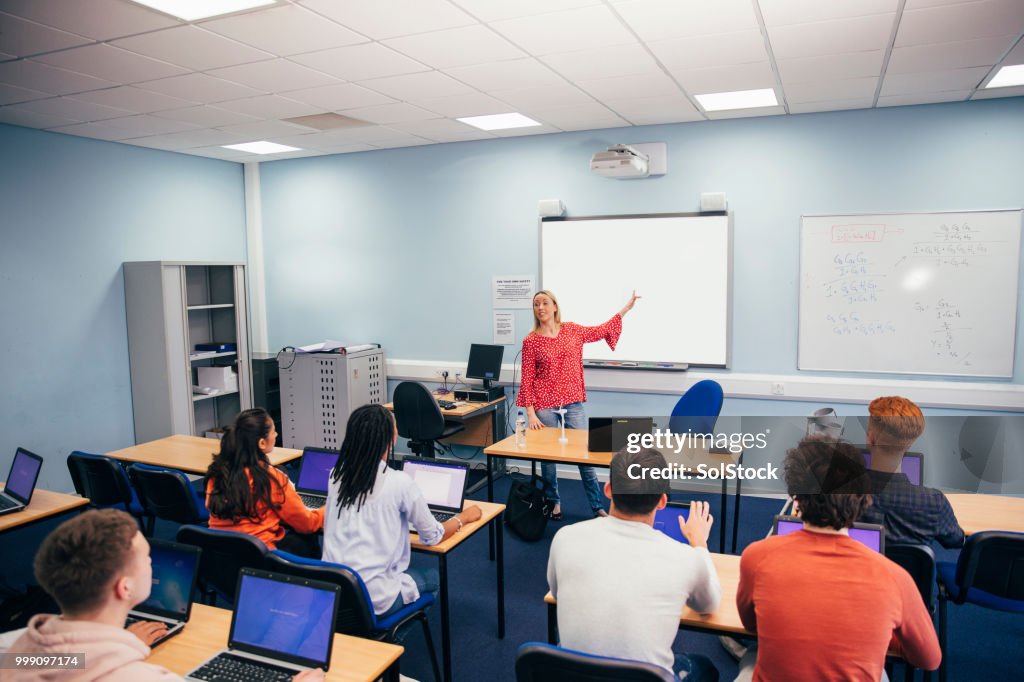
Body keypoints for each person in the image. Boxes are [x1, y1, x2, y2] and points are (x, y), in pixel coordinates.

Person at [0, 509, 321, 682]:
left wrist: (123, 644)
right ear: (124, 588)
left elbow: (67, 662)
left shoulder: (16, 649)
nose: (152, 563)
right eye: (146, 558)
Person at [734, 437, 941, 682]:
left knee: (751, 656)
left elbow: (751, 625)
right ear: (863, 498)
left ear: (795, 496)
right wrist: (883, 632)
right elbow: (929, 659)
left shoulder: (757, 556)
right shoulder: (894, 578)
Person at [547, 447, 721, 681]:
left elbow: (556, 593)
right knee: (704, 667)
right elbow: (709, 605)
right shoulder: (685, 558)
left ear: (607, 490)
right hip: (647, 677)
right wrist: (699, 543)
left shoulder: (565, 537)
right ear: (662, 502)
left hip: (574, 673)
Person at [322, 404, 482, 618]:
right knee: (433, 578)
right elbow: (433, 536)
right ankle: (387, 639)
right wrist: (464, 518)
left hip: (334, 591)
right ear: (391, 439)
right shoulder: (399, 483)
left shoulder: (336, 475)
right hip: (375, 597)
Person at [517, 289, 640, 519]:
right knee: (549, 458)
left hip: (572, 403)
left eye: (544, 303)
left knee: (586, 454)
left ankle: (597, 506)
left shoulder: (572, 330)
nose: (540, 308)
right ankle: (554, 502)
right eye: (536, 305)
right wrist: (531, 414)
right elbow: (527, 379)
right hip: (544, 405)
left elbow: (600, 330)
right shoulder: (531, 341)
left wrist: (625, 309)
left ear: (555, 306)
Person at [205, 408, 324, 557]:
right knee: (306, 537)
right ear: (262, 443)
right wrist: (328, 508)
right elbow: (307, 524)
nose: (276, 434)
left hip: (219, 555)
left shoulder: (217, 474)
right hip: (259, 558)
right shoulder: (271, 479)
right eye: (273, 431)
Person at [858, 395, 965, 548]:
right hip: (911, 573)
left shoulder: (842, 497)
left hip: (860, 571)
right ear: (909, 444)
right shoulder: (935, 503)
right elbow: (956, 541)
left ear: (870, 439)